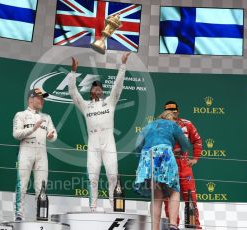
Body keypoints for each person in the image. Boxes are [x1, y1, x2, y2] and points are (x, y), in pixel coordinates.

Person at [68, 52, 131, 211]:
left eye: (100, 88)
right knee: (93, 177)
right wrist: (73, 73)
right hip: (93, 142)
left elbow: (118, 86)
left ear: (102, 91)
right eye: (95, 87)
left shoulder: (109, 102)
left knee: (112, 175)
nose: (97, 89)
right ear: (91, 91)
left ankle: (113, 207)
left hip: (108, 140)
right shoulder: (85, 106)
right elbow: (73, 92)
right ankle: (93, 208)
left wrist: (123, 65)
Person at [134, 110, 190, 230]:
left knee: (157, 195)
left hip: (147, 157)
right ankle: (173, 224)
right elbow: (185, 145)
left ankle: (155, 228)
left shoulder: (148, 126)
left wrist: (142, 161)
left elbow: (138, 146)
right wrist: (178, 150)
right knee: (174, 190)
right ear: (172, 118)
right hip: (165, 154)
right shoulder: (173, 125)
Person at [13, 88, 57, 221]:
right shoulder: (20, 115)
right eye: (39, 98)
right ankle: (19, 215)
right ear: (31, 99)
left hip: (42, 152)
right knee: (22, 184)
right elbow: (16, 134)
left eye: (43, 98)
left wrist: (51, 136)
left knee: (41, 186)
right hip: (26, 150)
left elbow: (54, 134)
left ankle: (41, 215)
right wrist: (33, 128)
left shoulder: (47, 117)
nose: (42, 100)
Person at [163, 101, 203, 228]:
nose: (172, 113)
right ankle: (173, 225)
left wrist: (195, 158)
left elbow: (197, 140)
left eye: (174, 111)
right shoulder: (160, 126)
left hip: (184, 166)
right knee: (168, 199)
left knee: (191, 197)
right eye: (169, 111)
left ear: (178, 111)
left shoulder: (187, 124)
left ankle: (194, 226)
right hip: (168, 167)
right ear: (165, 112)